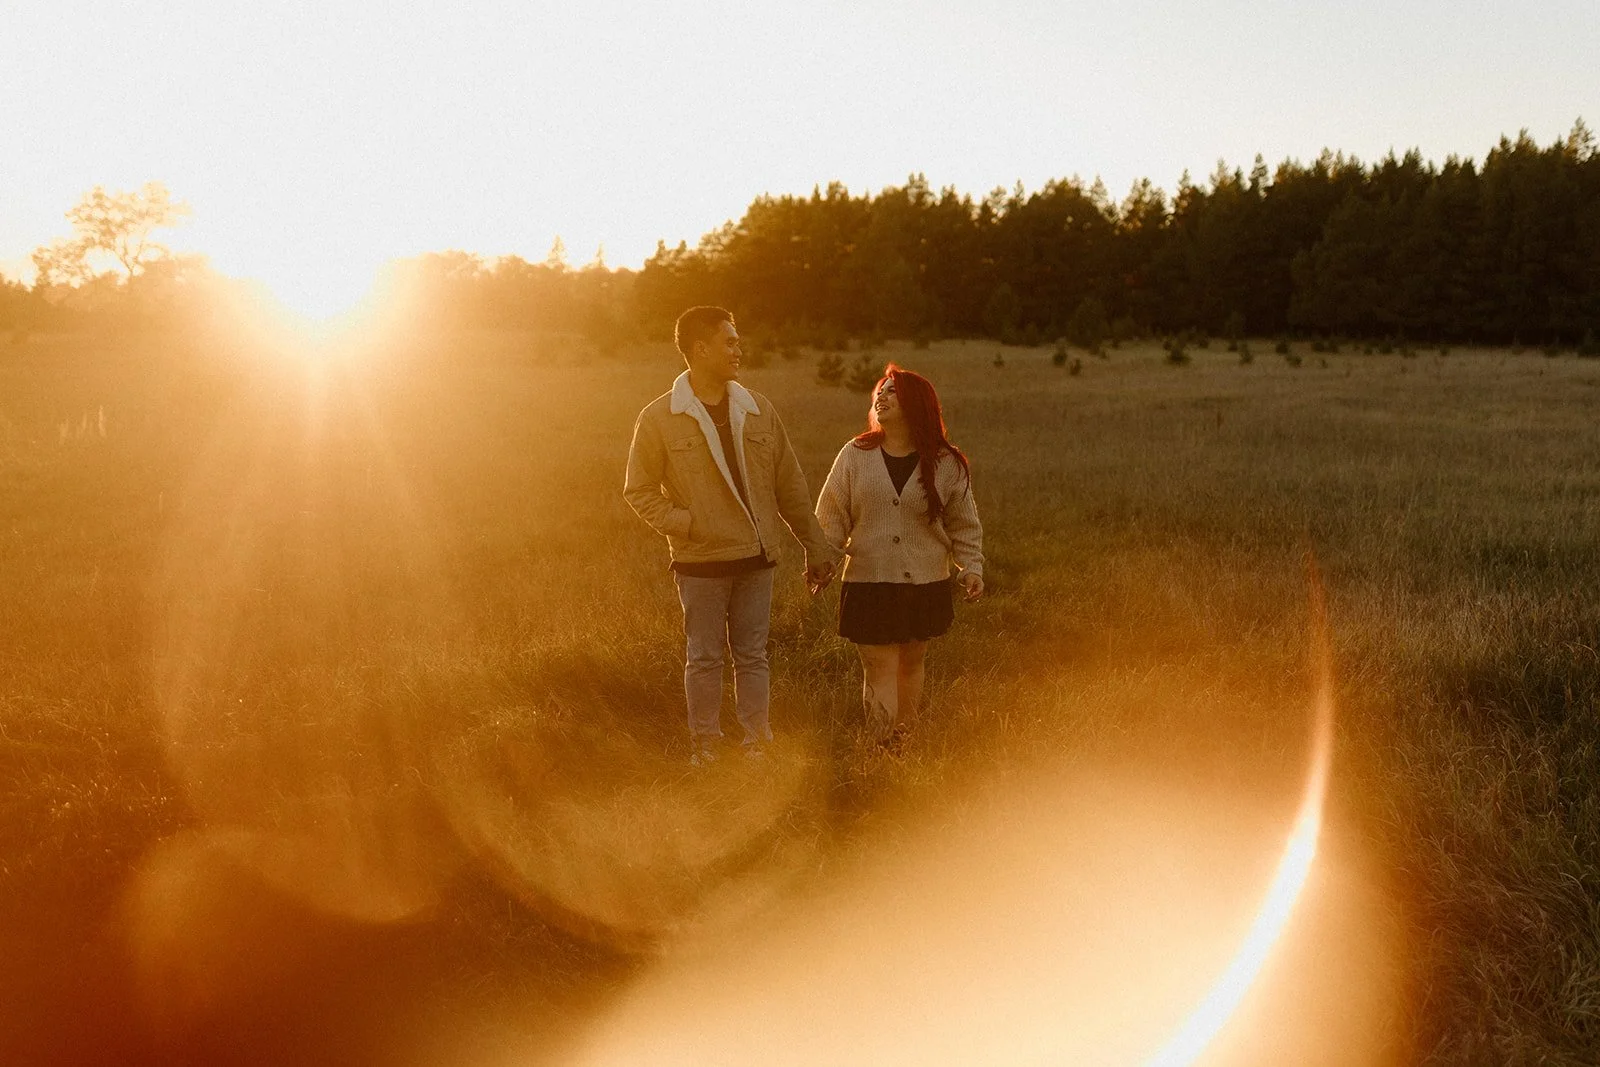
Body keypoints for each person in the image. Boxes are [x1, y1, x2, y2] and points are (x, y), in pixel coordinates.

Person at [624, 306, 837, 765]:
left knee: (753, 655)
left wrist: (815, 547)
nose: (739, 350)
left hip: (757, 558)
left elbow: (790, 486)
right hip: (700, 562)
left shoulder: (758, 409)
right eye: (730, 342)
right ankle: (706, 745)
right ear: (700, 350)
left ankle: (756, 742)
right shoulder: (659, 417)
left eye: (738, 341)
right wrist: (686, 524)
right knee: (703, 658)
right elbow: (638, 489)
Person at [815, 364, 983, 744]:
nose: (881, 397)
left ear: (917, 404)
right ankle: (880, 745)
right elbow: (831, 515)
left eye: (892, 392)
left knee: (911, 664)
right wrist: (822, 562)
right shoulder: (856, 454)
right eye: (880, 391)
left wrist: (971, 566)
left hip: (925, 581)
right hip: (868, 581)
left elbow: (963, 523)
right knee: (878, 667)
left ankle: (904, 743)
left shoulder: (945, 462)